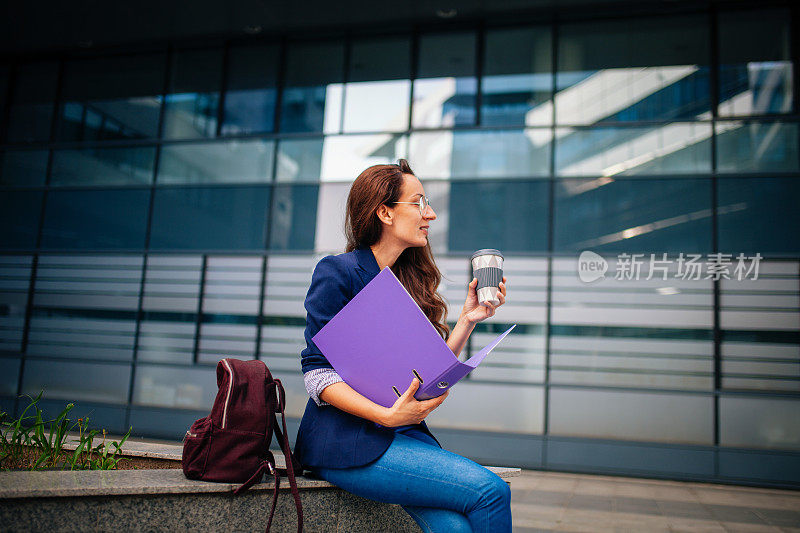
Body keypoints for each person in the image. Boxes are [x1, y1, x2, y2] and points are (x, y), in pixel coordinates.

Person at [294, 159, 511, 532]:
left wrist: (467, 320)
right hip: (348, 442)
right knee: (491, 492)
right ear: (385, 213)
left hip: (402, 435)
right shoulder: (338, 272)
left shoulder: (406, 280)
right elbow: (316, 373)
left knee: (455, 528)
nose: (431, 214)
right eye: (419, 202)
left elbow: (429, 370)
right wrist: (386, 416)